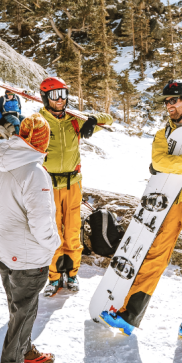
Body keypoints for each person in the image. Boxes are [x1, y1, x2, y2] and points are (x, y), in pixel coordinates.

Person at [104, 80, 182, 338]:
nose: (169, 106)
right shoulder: (161, 134)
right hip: (170, 200)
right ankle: (129, 316)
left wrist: (170, 166)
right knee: (154, 256)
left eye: (174, 100)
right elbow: (159, 161)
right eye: (166, 101)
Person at [0, 114, 60, 363]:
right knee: (25, 309)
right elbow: (41, 220)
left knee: (18, 306)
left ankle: (25, 348)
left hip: (7, 249)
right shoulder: (34, 172)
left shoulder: (3, 162)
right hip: (28, 254)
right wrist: (53, 243)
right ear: (42, 142)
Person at [38, 76, 113, 295]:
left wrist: (91, 119)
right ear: (45, 97)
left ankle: (71, 274)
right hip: (48, 184)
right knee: (53, 231)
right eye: (54, 95)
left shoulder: (74, 120)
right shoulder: (38, 121)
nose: (60, 99)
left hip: (73, 184)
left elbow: (109, 119)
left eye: (63, 94)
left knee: (72, 231)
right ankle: (53, 277)